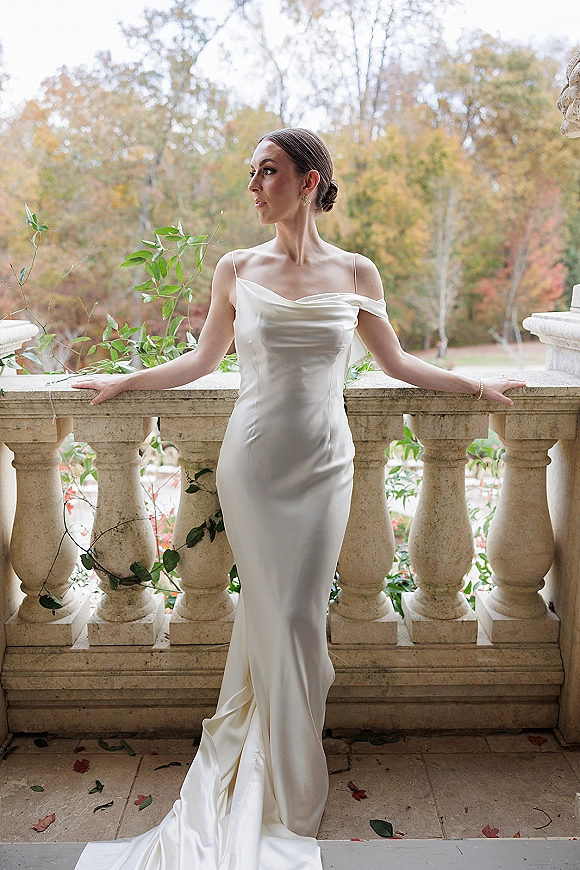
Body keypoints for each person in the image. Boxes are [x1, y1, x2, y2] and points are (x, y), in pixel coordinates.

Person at [72, 128, 525, 870]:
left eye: (268, 172)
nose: (254, 185)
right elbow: (201, 359)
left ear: (309, 183)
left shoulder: (355, 271)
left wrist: (479, 385)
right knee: (272, 608)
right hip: (251, 465)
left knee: (298, 614)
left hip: (324, 467)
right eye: (251, 173)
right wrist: (126, 382)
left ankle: (291, 770)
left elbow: (398, 361)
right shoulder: (235, 268)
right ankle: (278, 774)